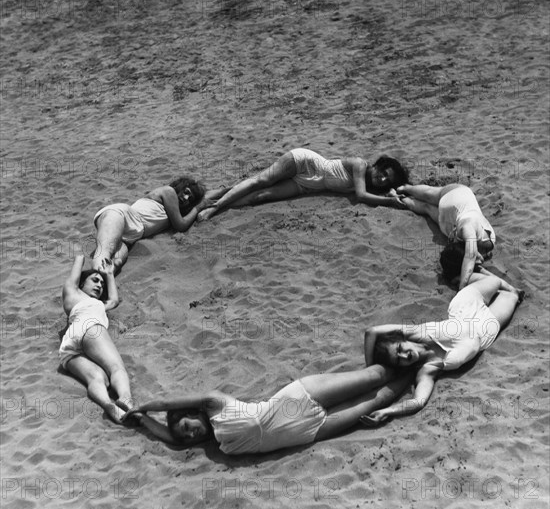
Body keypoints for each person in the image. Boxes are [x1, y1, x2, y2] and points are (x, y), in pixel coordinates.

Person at [122, 364, 414, 454]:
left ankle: (417, 350)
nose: (190, 436)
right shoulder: (218, 443)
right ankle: (420, 371)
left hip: (295, 400)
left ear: (192, 412)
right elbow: (171, 439)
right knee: (376, 401)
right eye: (187, 437)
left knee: (374, 378)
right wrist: (145, 423)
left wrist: (142, 408)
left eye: (186, 427)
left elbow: (166, 404)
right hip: (309, 432)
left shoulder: (213, 404)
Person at [360, 269, 524, 426]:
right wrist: (388, 411)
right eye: (399, 360)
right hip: (485, 327)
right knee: (511, 295)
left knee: (495, 281)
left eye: (399, 349)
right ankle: (468, 276)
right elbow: (418, 401)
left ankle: (464, 275)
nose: (404, 356)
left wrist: (368, 370)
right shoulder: (428, 369)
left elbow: (371, 331)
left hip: (464, 306)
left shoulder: (415, 332)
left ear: (402, 340)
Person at [197, 148, 410, 221]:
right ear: (378, 165)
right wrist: (390, 202)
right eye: (383, 173)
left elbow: (394, 190)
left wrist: (393, 192)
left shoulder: (371, 183)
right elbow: (362, 197)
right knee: (262, 180)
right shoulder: (360, 166)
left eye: (386, 180)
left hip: (308, 186)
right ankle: (214, 207)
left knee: (260, 197)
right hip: (304, 163)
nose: (382, 179)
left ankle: (218, 198)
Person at [92, 176, 228, 271]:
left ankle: (93, 296)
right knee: (104, 252)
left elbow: (207, 196)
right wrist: (198, 208)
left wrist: (233, 189)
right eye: (186, 192)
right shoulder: (169, 192)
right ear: (179, 187)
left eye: (190, 198)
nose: (185, 198)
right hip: (122, 215)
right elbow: (181, 225)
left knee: (113, 265)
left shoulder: (174, 210)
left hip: (130, 238)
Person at [59, 255, 133, 423]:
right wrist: (82, 255)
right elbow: (78, 260)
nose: (99, 285)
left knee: (98, 378)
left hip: (68, 345)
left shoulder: (94, 302)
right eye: (94, 280)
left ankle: (109, 405)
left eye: (101, 283)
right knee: (116, 368)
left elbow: (113, 300)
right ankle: (126, 399)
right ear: (81, 284)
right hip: (90, 328)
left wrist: (109, 274)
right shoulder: (73, 291)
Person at [396, 183, 496, 289]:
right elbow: (470, 256)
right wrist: (463, 285)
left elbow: (472, 260)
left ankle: (400, 198)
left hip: (450, 226)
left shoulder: (470, 244)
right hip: (457, 199)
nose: (479, 260)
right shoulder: (469, 227)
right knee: (428, 196)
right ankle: (406, 188)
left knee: (427, 205)